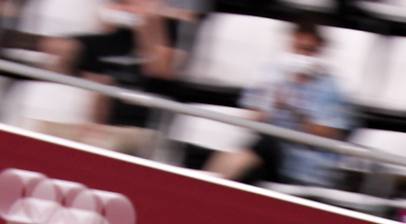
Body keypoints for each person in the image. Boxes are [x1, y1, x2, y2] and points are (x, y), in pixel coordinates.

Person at [207, 21, 353, 188]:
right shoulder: (272, 76)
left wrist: (295, 110)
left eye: (309, 51)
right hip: (266, 156)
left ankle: (209, 189)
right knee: (243, 153)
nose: (302, 55)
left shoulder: (331, 89)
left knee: (262, 148)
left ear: (320, 53)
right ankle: (207, 186)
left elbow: (327, 134)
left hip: (303, 163)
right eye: (298, 48)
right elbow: (251, 120)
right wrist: (271, 104)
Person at [42, 0, 178, 155]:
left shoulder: (169, 31)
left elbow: (161, 70)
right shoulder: (99, 42)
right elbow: (55, 48)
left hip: (140, 127)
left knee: (100, 144)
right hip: (93, 123)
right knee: (38, 129)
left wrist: (149, 25)